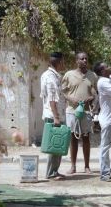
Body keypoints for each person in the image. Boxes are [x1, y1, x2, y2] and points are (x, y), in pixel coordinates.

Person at [62, 52, 98, 174]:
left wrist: (90, 98)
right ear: (76, 61)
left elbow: (94, 92)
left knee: (86, 137)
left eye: (86, 59)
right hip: (72, 111)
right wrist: (71, 99)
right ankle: (73, 166)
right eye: (82, 59)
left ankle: (87, 166)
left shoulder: (92, 75)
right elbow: (63, 92)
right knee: (73, 138)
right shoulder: (69, 75)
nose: (84, 60)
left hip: (86, 111)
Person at [40, 52, 66, 180]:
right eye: (62, 61)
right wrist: (56, 117)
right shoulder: (50, 77)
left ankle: (55, 171)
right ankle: (51, 173)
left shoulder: (53, 75)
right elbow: (52, 98)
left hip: (56, 114)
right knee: (54, 145)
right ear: (59, 62)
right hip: (53, 115)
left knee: (58, 144)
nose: (63, 64)